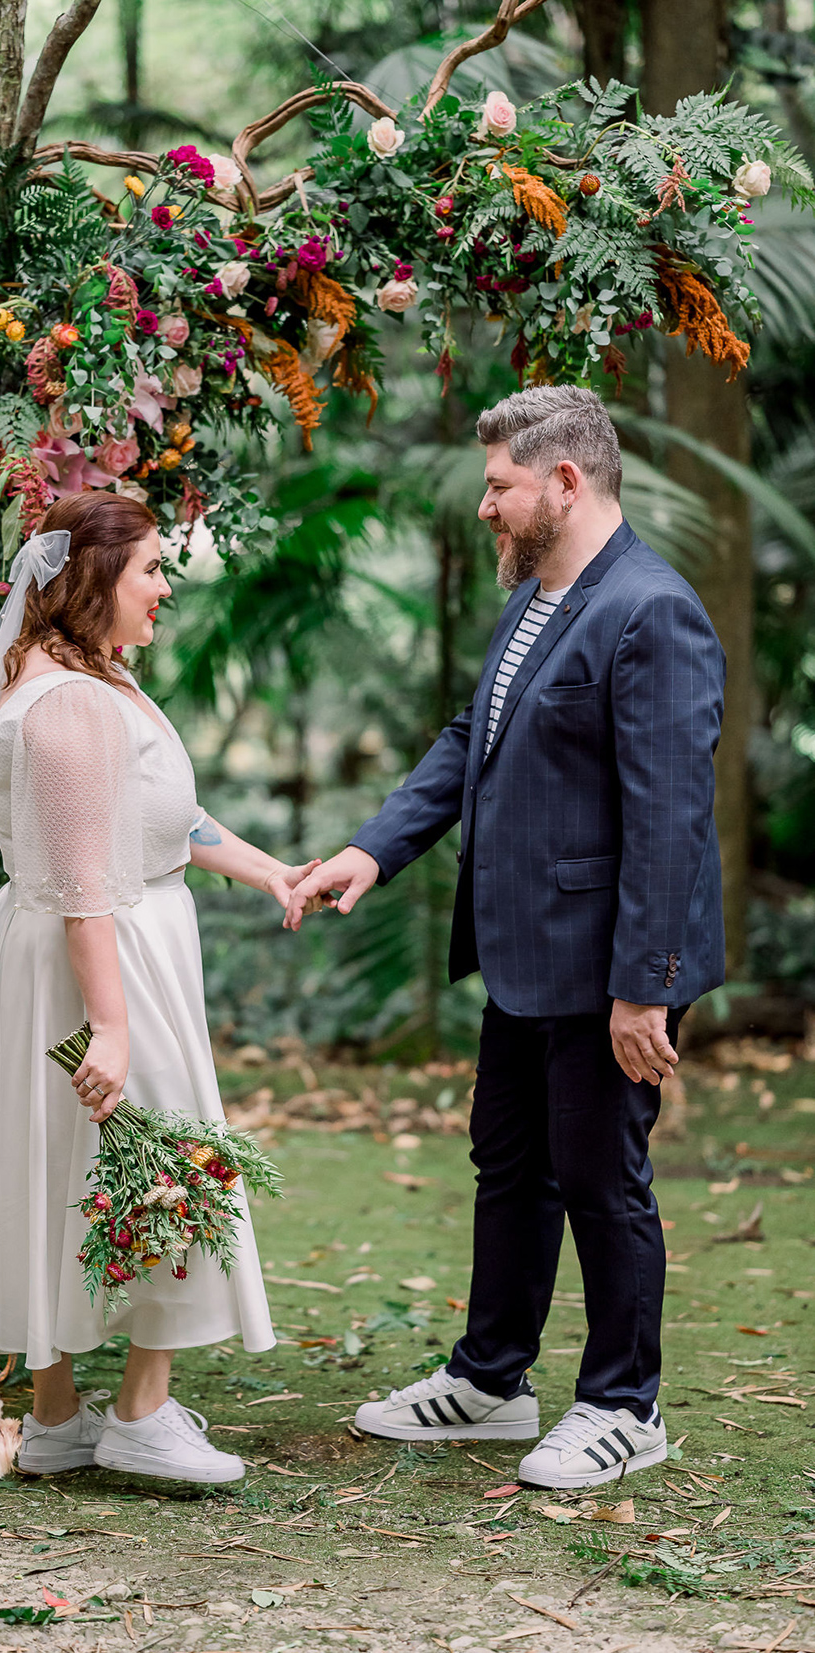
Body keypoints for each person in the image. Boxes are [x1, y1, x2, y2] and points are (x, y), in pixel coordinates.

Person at [285, 386, 726, 1491]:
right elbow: (467, 739)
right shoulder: (537, 596)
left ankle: (626, 1405)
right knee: (510, 1165)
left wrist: (643, 991)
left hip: (605, 966)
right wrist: (371, 848)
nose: (484, 507)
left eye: (498, 486)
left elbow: (669, 820)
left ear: (563, 483)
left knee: (597, 1174)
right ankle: (489, 1381)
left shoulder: (650, 611)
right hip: (523, 950)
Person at [0, 492, 312, 1484]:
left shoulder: (87, 681)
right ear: (93, 580)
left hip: (83, 944)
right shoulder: (72, 706)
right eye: (150, 569)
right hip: (101, 955)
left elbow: (162, 816)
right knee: (162, 1157)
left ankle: (56, 1418)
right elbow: (86, 878)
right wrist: (111, 1024)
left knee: (66, 1165)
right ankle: (138, 1412)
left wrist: (269, 871)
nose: (165, 587)